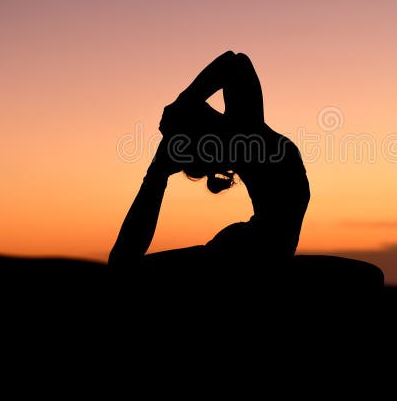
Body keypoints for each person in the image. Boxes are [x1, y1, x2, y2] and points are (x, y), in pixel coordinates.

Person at [108, 51, 311, 280]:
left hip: (244, 253)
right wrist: (157, 172)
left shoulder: (244, 133)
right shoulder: (244, 137)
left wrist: (182, 103)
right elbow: (235, 63)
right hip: (239, 251)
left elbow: (235, 61)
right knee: (122, 265)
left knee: (122, 266)